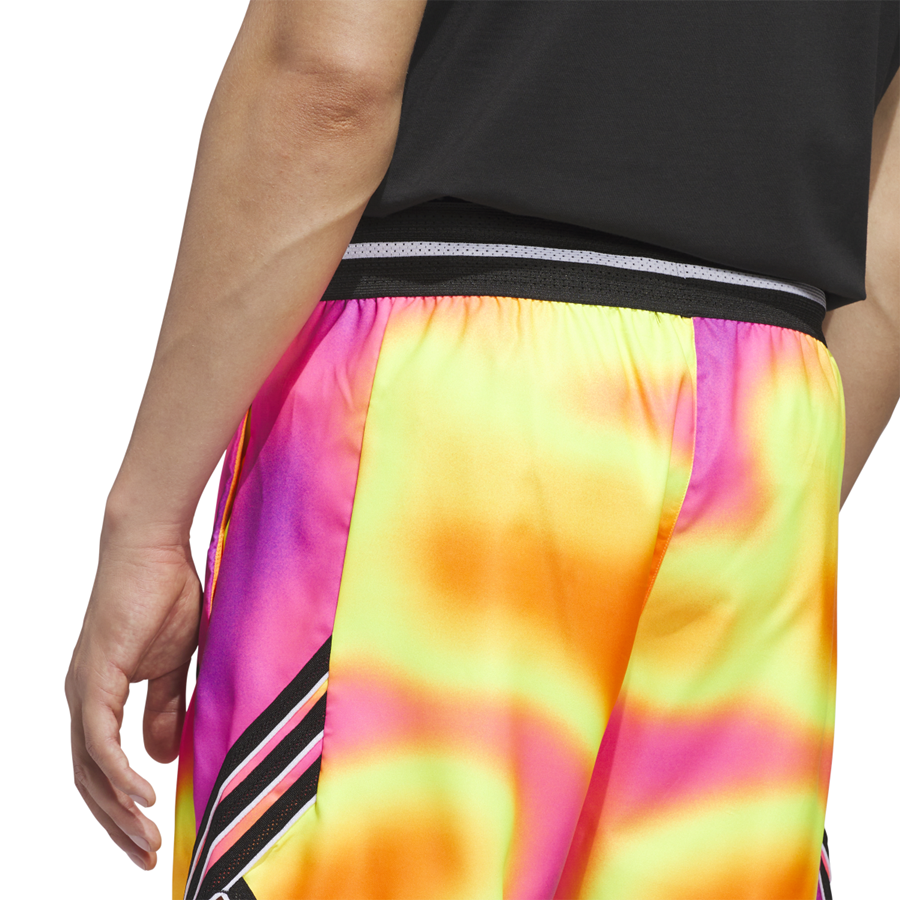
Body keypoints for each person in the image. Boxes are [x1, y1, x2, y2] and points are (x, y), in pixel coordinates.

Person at [65, 2, 899, 898]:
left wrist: (147, 520)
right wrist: (760, 493)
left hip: (453, 395)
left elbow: (328, 77)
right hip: (769, 423)